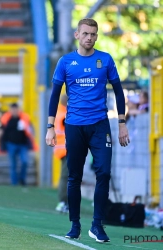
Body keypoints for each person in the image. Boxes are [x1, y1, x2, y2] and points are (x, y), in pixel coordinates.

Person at [45, 18, 130, 243]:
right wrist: (50, 127)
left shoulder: (105, 59)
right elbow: (55, 96)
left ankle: (97, 225)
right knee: (74, 176)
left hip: (100, 125)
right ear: (77, 35)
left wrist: (122, 123)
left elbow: (119, 93)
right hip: (74, 126)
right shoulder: (66, 62)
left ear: (97, 36)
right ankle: (75, 225)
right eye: (85, 34)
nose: (89, 38)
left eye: (93, 34)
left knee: (103, 172)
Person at [0, 103, 37, 186]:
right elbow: (0, 131)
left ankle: (22, 179)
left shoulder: (24, 118)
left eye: (16, 109)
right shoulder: (7, 119)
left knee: (25, 161)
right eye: (12, 109)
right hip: (11, 144)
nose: (14, 111)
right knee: (13, 165)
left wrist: (33, 142)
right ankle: (14, 183)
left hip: (23, 144)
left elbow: (31, 130)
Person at [54, 94, 69, 213]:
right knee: (66, 176)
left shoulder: (58, 113)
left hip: (60, 149)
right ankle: (63, 202)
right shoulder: (65, 115)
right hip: (66, 149)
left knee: (66, 176)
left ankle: (64, 202)